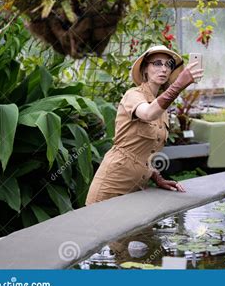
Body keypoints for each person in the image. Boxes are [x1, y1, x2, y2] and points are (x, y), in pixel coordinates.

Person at [85, 45, 203, 206]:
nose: (163, 68)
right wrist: (178, 86)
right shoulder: (133, 95)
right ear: (145, 69)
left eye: (168, 65)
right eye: (157, 63)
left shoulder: (161, 109)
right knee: (100, 229)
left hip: (137, 187)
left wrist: (156, 177)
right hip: (112, 184)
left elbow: (144, 152)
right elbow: (148, 113)